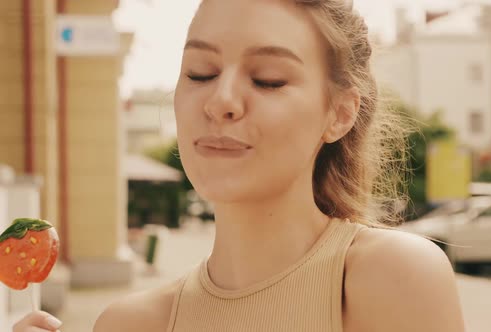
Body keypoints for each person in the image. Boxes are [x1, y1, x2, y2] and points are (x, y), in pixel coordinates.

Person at [14, 0, 465, 331]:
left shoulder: (393, 279)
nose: (221, 101)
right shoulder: (128, 324)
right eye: (200, 73)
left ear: (340, 113)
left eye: (267, 79)